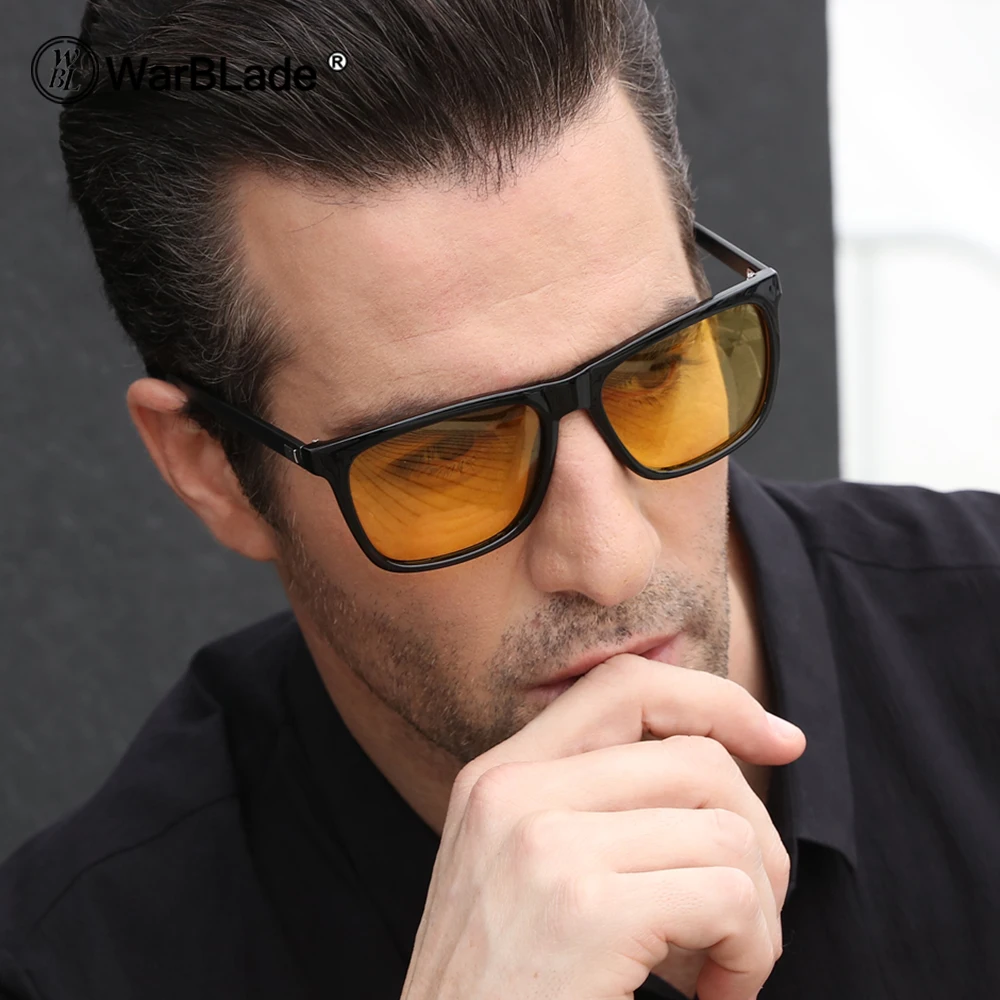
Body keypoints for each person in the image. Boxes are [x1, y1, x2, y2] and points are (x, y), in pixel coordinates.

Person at [3, 0, 999, 997]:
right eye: (449, 455)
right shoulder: (76, 966)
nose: (609, 559)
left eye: (655, 371)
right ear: (213, 470)